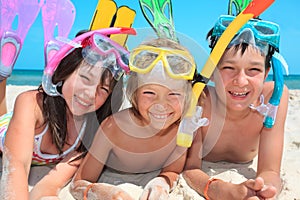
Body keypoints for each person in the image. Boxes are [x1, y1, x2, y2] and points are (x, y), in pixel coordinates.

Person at [0, 27, 135, 200]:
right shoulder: (31, 104)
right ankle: (3, 75)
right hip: (7, 131)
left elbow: (49, 185)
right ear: (65, 71)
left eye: (103, 89)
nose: (90, 94)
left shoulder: (90, 133)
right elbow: (16, 166)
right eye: (85, 78)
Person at [69, 37, 208, 200]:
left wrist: (162, 182)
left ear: (188, 96)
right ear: (134, 93)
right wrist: (106, 193)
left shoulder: (185, 128)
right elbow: (78, 183)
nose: (160, 105)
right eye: (149, 93)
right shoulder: (113, 129)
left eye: (173, 94)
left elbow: (172, 170)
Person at [183, 15, 289, 199]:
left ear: (266, 74)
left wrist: (264, 189)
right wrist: (219, 190)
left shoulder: (272, 98)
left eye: (254, 70)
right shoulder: (200, 98)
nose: (240, 81)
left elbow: (270, 170)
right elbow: (190, 168)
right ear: (212, 71)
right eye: (229, 68)